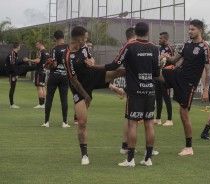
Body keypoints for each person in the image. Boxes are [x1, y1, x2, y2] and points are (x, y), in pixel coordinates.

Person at [88, 22, 160, 167]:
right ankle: (148, 159)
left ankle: (130, 160)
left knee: (132, 124)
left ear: (135, 32)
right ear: (147, 32)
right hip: (150, 91)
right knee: (149, 124)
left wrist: (94, 67)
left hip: (135, 91)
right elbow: (157, 73)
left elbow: (114, 65)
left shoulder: (129, 46)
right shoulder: (154, 48)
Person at [63, 26, 125, 165]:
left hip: (93, 76)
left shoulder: (84, 47)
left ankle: (150, 75)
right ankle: (84, 155)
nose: (86, 39)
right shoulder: (68, 57)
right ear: (79, 38)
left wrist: (92, 61)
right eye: (85, 37)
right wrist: (86, 96)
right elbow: (73, 80)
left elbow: (90, 59)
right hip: (80, 88)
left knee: (120, 71)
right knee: (82, 122)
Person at [162, 19, 210, 156]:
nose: (190, 31)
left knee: (184, 114)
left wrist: (206, 90)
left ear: (200, 30)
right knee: (156, 74)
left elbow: (208, 71)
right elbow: (174, 60)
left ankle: (189, 148)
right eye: (189, 29)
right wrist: (167, 57)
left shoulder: (205, 48)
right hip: (178, 74)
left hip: (188, 84)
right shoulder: (187, 44)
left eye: (193, 29)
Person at [41, 30, 70, 128]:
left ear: (55, 38)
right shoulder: (69, 48)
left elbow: (54, 64)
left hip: (54, 76)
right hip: (65, 75)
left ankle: (46, 122)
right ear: (63, 37)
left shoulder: (54, 49)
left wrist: (48, 65)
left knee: (49, 98)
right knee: (64, 99)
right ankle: (65, 122)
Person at [154, 32, 174, 126]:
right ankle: (158, 119)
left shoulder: (169, 48)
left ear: (165, 38)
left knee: (166, 98)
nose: (159, 40)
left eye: (161, 38)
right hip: (158, 75)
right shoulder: (160, 48)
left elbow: (172, 62)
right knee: (158, 98)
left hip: (166, 77)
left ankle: (170, 120)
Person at [23, 40, 50, 108]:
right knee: (43, 87)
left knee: (39, 87)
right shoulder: (47, 52)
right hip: (45, 71)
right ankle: (44, 104)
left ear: (40, 44)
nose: (36, 46)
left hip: (40, 71)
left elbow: (37, 61)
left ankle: (40, 104)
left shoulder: (40, 52)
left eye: (37, 44)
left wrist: (28, 60)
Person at [5, 42, 25, 108]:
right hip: (12, 74)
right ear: (17, 47)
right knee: (12, 88)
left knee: (13, 88)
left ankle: (12, 104)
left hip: (12, 74)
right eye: (19, 46)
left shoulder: (15, 54)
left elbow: (16, 63)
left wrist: (23, 61)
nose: (20, 48)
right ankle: (12, 104)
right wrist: (16, 74)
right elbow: (12, 65)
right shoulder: (12, 54)